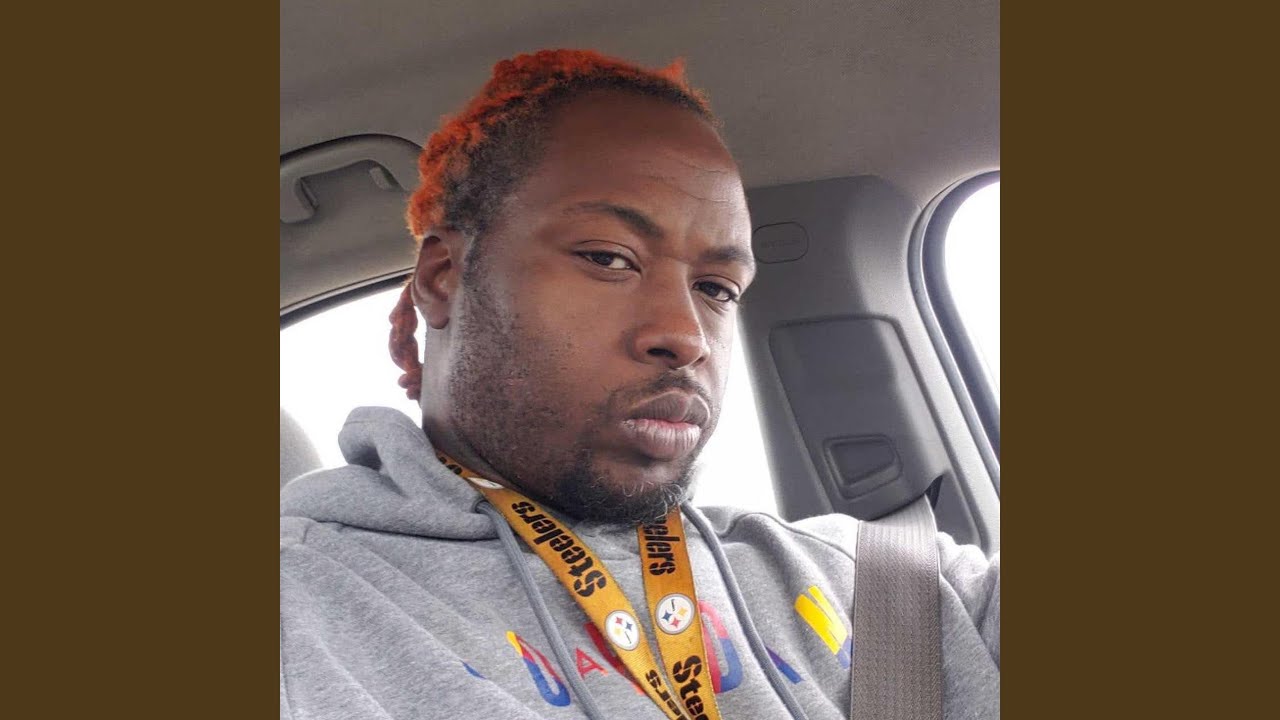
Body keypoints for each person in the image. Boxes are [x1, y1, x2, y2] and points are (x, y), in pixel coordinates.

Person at [280, 49, 999, 720]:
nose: (686, 336)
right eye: (608, 258)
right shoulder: (301, 614)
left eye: (717, 288)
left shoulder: (877, 581)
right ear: (444, 278)